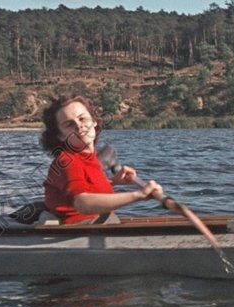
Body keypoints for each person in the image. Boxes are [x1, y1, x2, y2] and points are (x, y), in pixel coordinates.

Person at [40, 95, 162, 224]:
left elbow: (85, 188)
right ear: (60, 136)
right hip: (78, 231)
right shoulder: (67, 161)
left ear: (94, 121)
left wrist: (112, 182)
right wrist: (139, 195)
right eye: (69, 124)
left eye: (82, 119)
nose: (79, 126)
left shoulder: (88, 158)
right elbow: (82, 203)